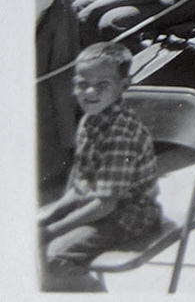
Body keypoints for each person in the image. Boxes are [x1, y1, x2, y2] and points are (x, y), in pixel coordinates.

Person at [39, 42, 162, 292]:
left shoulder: (119, 133)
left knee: (55, 256)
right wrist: (49, 218)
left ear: (123, 86)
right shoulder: (89, 119)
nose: (90, 92)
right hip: (99, 207)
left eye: (102, 84)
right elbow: (81, 185)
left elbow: (106, 203)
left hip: (129, 215)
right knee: (30, 238)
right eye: (82, 83)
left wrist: (52, 230)